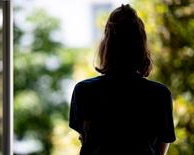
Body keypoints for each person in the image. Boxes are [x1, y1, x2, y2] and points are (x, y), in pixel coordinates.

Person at [69, 4, 176, 155]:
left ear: (106, 46)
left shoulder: (84, 91)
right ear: (141, 45)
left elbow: (86, 139)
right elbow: (160, 151)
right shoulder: (160, 95)